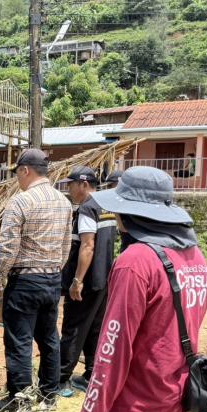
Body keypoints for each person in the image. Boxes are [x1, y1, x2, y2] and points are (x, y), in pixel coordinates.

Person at [74, 166, 207, 412]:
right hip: (171, 395)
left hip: (135, 405)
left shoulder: (135, 261)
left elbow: (112, 347)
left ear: (130, 213)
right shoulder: (193, 257)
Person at [0, 148, 72, 412]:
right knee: (49, 339)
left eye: (17, 173)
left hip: (24, 282)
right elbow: (66, 245)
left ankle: (20, 400)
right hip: (52, 280)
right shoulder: (64, 202)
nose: (17, 178)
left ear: (25, 170)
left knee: (19, 341)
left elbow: (9, 248)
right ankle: (49, 394)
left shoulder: (20, 202)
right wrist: (54, 269)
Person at [58, 167, 117, 394]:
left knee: (73, 328)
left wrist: (77, 280)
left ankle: (61, 378)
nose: (69, 189)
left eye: (71, 184)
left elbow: (88, 245)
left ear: (83, 184)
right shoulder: (106, 207)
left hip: (88, 280)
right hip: (103, 279)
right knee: (95, 328)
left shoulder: (87, 208)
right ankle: (91, 374)